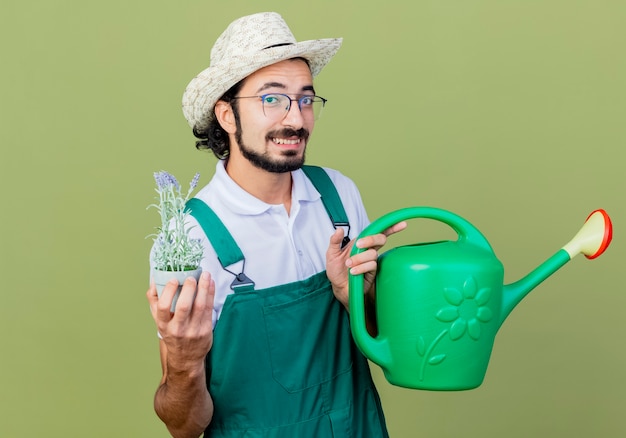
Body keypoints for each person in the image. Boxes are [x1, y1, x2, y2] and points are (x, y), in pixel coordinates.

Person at [146, 12, 406, 438]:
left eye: (305, 99)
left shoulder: (339, 197)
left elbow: (387, 348)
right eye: (272, 99)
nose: (296, 119)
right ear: (226, 116)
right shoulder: (189, 239)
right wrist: (183, 360)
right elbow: (183, 426)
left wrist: (355, 297)